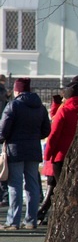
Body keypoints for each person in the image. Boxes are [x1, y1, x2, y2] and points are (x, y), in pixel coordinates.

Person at [0, 78, 50, 230]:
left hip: (15, 150)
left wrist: (4, 139)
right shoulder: (40, 107)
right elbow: (46, 130)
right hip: (33, 149)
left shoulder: (13, 105)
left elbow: (3, 130)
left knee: (15, 185)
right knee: (32, 185)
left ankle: (13, 221)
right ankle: (31, 220)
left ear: (17, 90)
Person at [38, 80, 78, 225]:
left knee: (61, 188)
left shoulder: (65, 110)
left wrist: (47, 155)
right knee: (74, 187)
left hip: (61, 155)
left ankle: (59, 216)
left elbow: (54, 134)